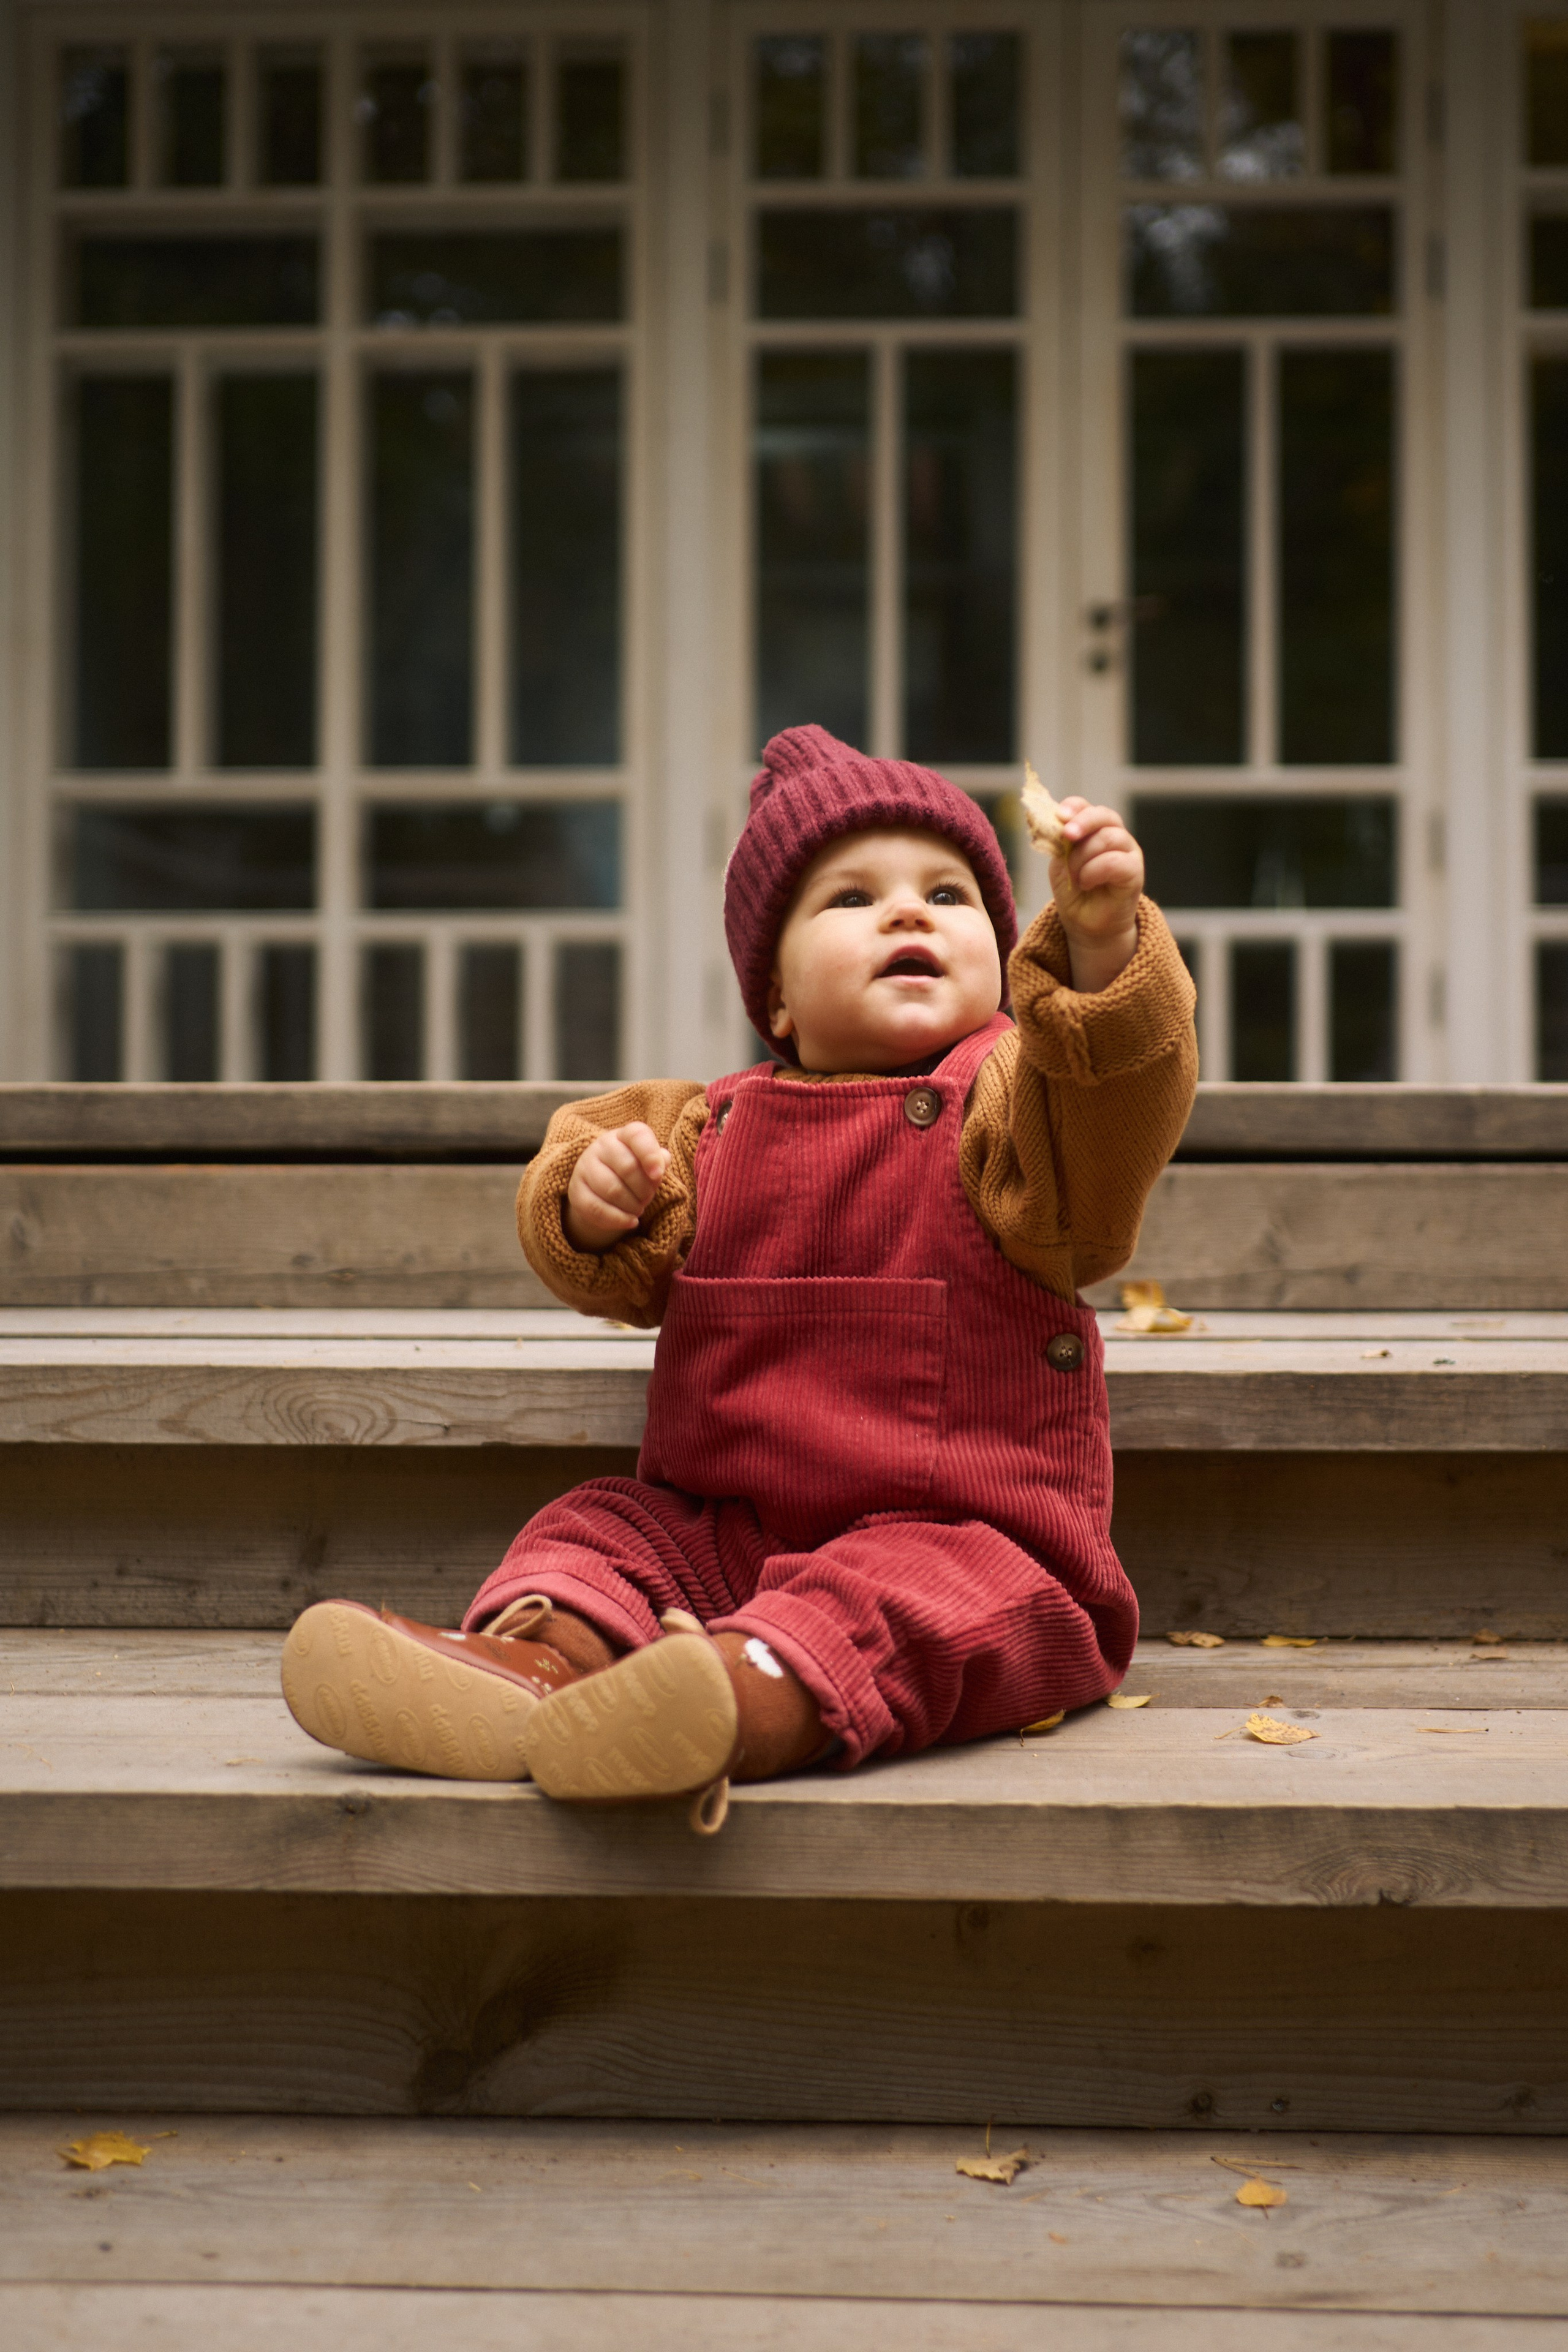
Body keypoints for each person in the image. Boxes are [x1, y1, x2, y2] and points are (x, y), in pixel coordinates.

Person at [281, 725, 1197, 1832]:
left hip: (967, 1532)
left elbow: (1110, 1104)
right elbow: (584, 1218)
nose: (907, 914)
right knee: (601, 1529)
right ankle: (536, 1667)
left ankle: (736, 1698)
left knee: (906, 1600)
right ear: (777, 1000)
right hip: (729, 1531)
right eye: (852, 898)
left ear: (1006, 969)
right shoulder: (708, 1129)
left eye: (948, 895)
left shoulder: (1014, 1115)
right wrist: (592, 1202)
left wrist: (1103, 952)